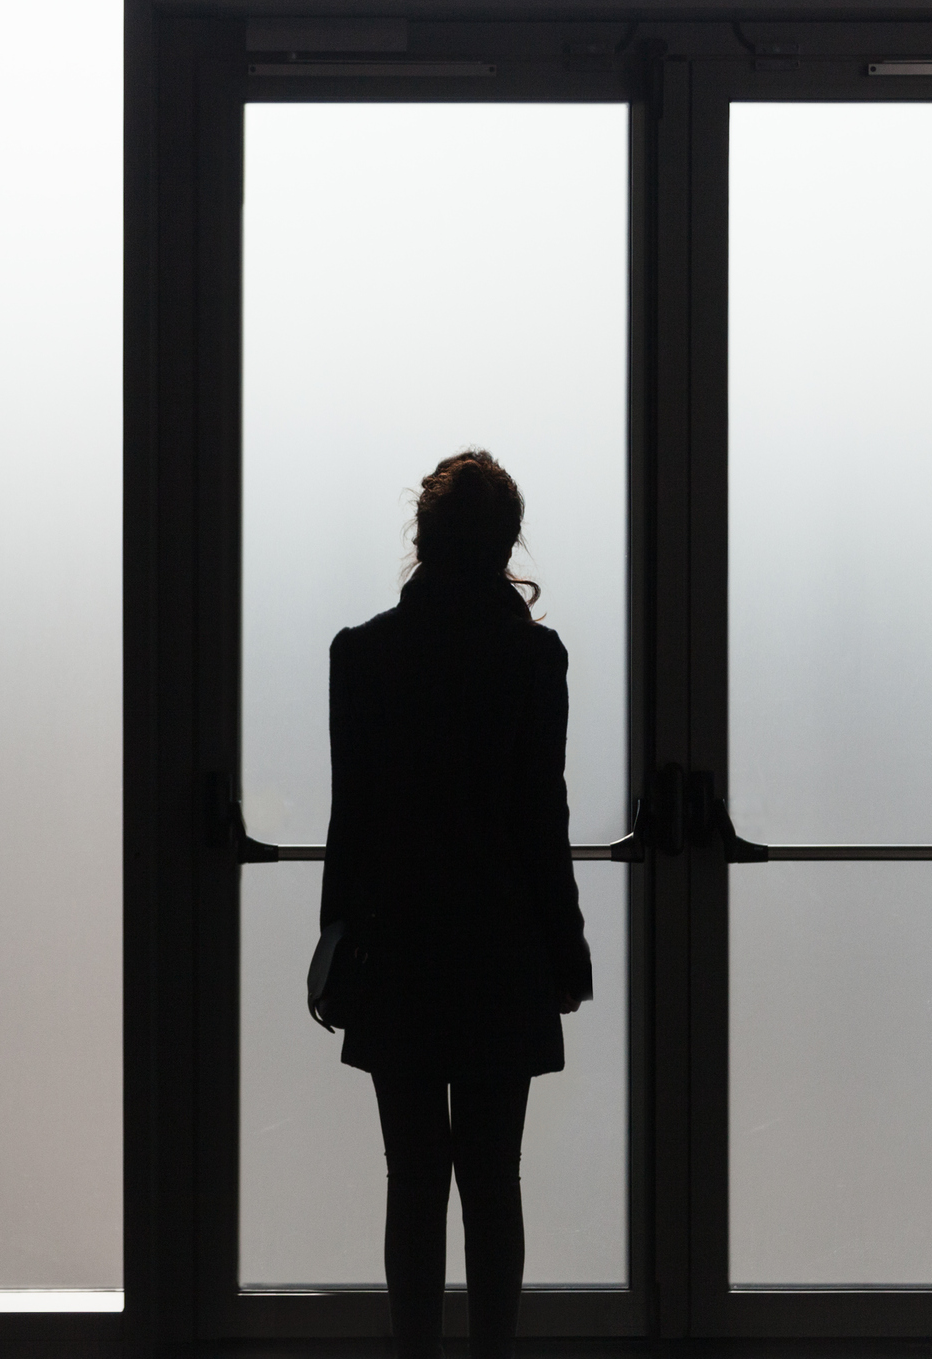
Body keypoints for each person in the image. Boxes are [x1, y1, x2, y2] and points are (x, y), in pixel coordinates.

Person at [321, 450, 594, 1359]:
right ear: (506, 540)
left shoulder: (363, 655)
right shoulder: (532, 657)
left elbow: (350, 816)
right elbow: (538, 818)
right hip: (500, 943)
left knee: (412, 1178)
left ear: (422, 537)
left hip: (397, 942)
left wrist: (335, 939)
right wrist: (567, 945)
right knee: (491, 1178)